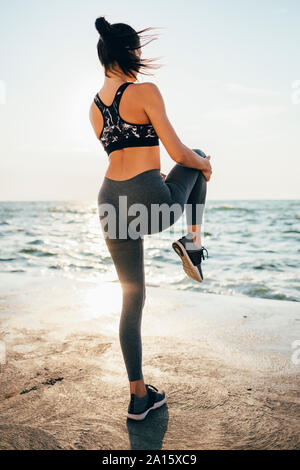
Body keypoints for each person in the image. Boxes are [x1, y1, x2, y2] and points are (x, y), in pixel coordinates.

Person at [89, 16, 212, 421]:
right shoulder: (145, 91)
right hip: (148, 199)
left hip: (110, 202)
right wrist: (204, 166)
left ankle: (139, 398)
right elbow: (178, 154)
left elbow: (124, 152)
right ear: (129, 51)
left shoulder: (93, 109)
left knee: (131, 299)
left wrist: (155, 172)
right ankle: (193, 245)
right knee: (197, 154)